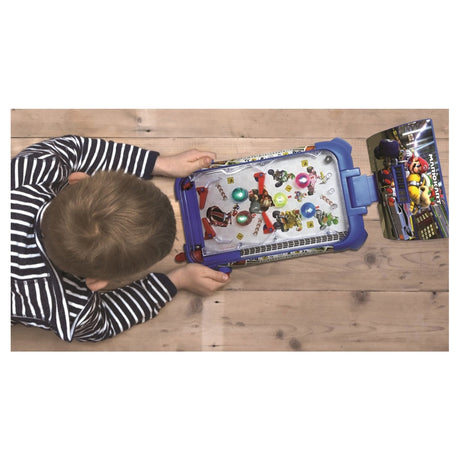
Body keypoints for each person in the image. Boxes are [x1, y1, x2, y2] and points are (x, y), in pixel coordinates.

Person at [11, 135, 230, 342]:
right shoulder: (69, 309)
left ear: (77, 180)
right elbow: (105, 322)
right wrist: (176, 281)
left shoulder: (32, 169)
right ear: (96, 282)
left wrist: (160, 163)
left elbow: (74, 149)